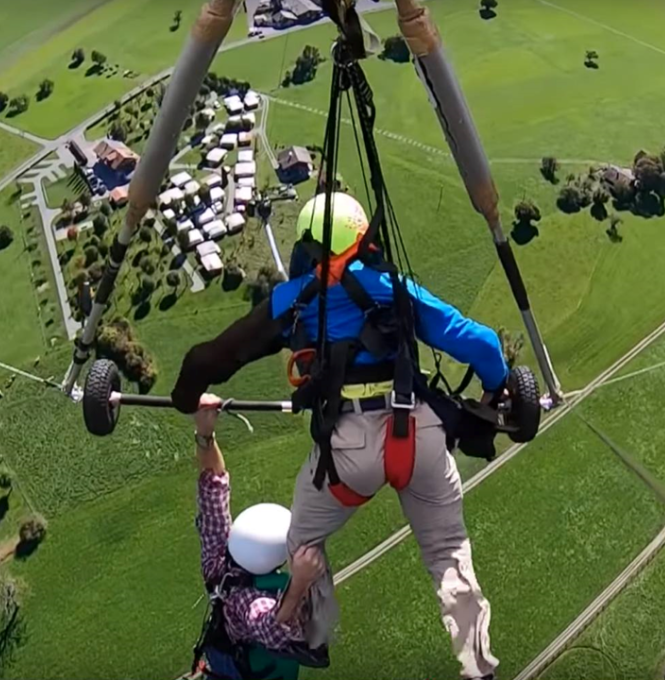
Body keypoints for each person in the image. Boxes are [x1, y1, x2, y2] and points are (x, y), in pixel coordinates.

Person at [174, 193, 507, 679]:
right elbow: (479, 342)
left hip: (347, 453)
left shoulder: (297, 298)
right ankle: (478, 663)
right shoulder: (394, 287)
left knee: (302, 540)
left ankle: (311, 635)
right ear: (360, 240)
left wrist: (188, 395)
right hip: (419, 437)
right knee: (447, 551)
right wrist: (498, 387)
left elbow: (216, 357)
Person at [191, 393, 328, 680]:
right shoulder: (249, 599)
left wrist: (205, 432)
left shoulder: (218, 561)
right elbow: (274, 630)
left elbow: (213, 482)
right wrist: (300, 581)